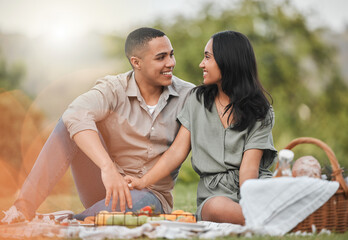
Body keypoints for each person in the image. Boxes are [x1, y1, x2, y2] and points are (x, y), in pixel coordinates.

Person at [1, 27, 194, 223]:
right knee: (69, 123)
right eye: (161, 57)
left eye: (171, 55)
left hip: (149, 194)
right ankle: (22, 209)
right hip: (105, 186)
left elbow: (180, 150)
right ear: (136, 62)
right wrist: (107, 168)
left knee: (139, 204)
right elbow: (75, 113)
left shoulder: (189, 96)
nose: (171, 63)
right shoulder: (114, 88)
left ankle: (68, 220)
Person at [125, 30, 277, 225]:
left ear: (227, 61)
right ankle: (272, 221)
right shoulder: (197, 100)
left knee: (299, 173)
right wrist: (143, 181)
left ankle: (261, 217)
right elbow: (177, 151)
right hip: (215, 195)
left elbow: (249, 169)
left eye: (207, 57)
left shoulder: (260, 110)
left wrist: (251, 203)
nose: (201, 64)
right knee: (216, 207)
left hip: (253, 187)